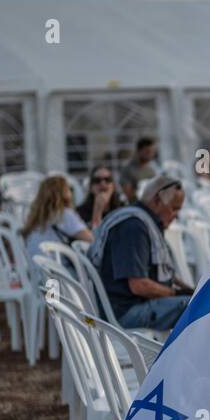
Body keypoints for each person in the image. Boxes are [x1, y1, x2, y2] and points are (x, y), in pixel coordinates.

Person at [89, 175, 192, 331]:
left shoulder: (144, 220)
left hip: (135, 304)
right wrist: (176, 293)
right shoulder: (134, 227)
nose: (176, 215)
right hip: (126, 312)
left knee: (202, 301)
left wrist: (191, 290)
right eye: (174, 208)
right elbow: (139, 285)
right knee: (203, 307)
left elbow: (161, 273)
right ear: (157, 200)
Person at [22, 173, 93, 258]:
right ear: (63, 192)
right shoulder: (64, 214)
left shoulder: (36, 217)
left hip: (36, 267)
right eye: (69, 188)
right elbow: (92, 240)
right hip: (57, 267)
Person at [78, 164, 124, 230]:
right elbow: (93, 237)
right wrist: (97, 210)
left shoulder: (122, 209)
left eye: (107, 179)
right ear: (91, 187)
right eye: (97, 180)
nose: (102, 183)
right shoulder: (81, 213)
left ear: (113, 186)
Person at [119, 138, 159, 203]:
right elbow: (128, 193)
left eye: (153, 152)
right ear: (139, 151)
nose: (151, 155)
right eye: (148, 151)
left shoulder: (152, 170)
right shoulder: (128, 169)